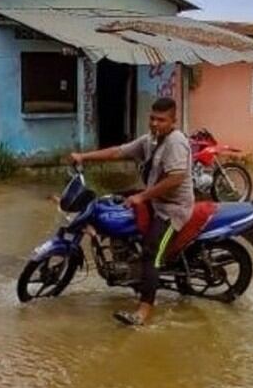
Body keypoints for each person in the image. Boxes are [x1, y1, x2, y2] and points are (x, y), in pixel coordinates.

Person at [70, 97, 193, 326]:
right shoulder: (151, 140)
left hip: (172, 209)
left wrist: (142, 197)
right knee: (110, 201)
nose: (155, 123)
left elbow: (176, 178)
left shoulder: (176, 142)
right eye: (152, 118)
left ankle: (142, 313)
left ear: (173, 121)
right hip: (155, 199)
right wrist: (84, 157)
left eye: (162, 120)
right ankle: (124, 256)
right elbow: (119, 151)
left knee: (150, 252)